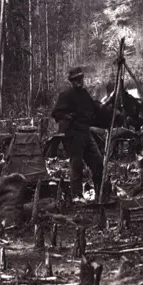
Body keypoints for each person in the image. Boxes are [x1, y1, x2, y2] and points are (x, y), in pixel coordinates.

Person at [51, 66, 107, 203]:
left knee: (98, 163)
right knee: (76, 166)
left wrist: (105, 108)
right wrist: (67, 117)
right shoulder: (66, 95)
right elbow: (56, 113)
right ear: (71, 81)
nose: (79, 82)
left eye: (80, 79)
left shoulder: (84, 94)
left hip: (86, 133)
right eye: (76, 80)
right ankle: (76, 196)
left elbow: (95, 111)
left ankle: (100, 194)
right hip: (73, 135)